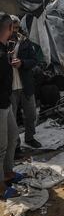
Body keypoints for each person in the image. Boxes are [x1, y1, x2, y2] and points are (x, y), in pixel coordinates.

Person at [9, 15, 41, 149]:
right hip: (10, 87)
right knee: (12, 118)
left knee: (31, 114)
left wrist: (22, 63)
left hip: (25, 84)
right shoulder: (3, 43)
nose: (15, 30)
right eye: (12, 28)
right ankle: (15, 145)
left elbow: (34, 60)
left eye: (17, 27)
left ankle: (30, 137)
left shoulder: (25, 42)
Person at [0, 12, 20, 199]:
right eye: (11, 28)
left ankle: (8, 172)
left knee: (13, 137)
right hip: (0, 105)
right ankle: (0, 187)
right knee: (1, 146)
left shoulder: (4, 48)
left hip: (5, 103)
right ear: (7, 29)